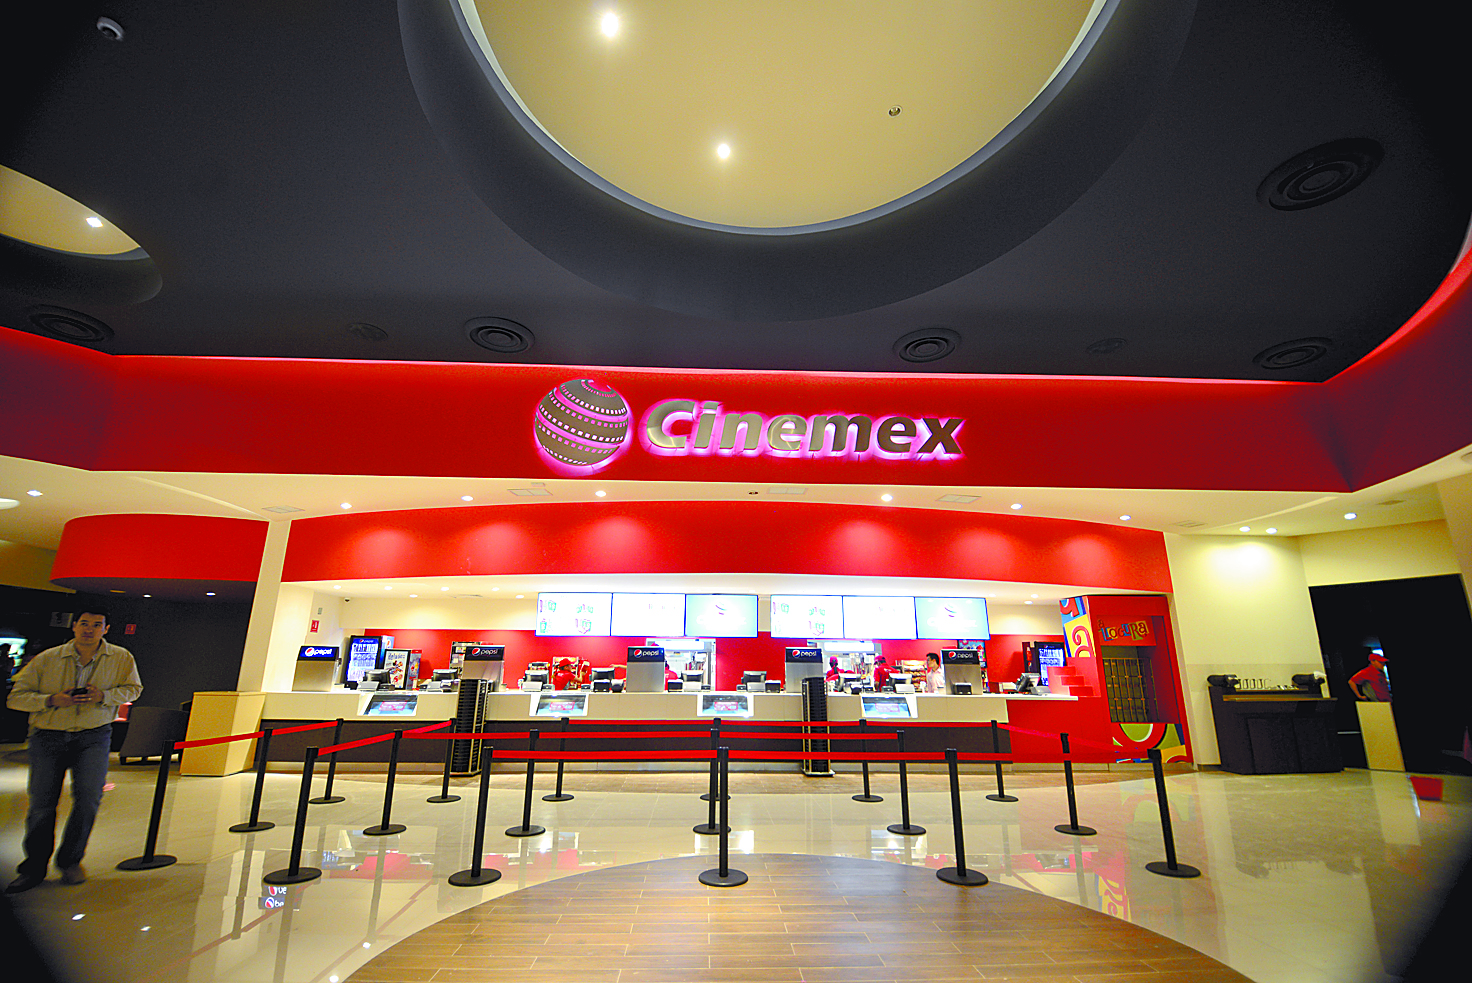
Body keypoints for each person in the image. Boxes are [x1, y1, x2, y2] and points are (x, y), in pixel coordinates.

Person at [6, 608, 142, 893]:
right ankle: (34, 867)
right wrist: (51, 700)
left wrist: (103, 696)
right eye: (84, 623)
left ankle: (70, 860)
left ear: (106, 629)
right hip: (48, 735)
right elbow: (16, 698)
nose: (89, 630)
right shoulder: (49, 658)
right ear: (75, 626)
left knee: (89, 798)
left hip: (94, 735)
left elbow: (133, 689)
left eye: (96, 625)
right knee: (42, 803)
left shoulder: (120, 657)